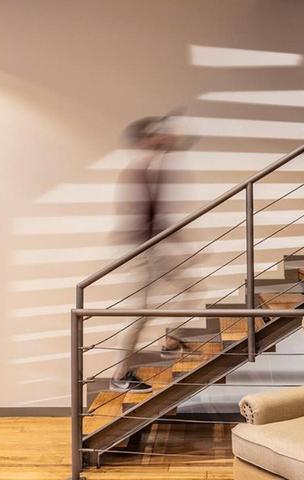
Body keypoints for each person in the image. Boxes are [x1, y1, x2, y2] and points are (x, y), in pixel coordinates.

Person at [109, 116, 187, 393]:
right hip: (140, 250)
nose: (166, 136)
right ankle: (120, 375)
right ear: (146, 139)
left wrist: (183, 246)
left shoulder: (153, 167)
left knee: (190, 288)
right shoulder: (138, 169)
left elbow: (159, 218)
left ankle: (170, 342)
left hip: (150, 248)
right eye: (159, 133)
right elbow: (142, 217)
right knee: (140, 314)